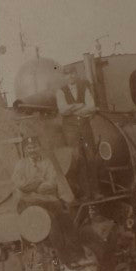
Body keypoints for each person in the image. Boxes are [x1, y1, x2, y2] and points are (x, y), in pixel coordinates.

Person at [12, 136, 84, 266]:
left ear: (39, 148)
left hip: (50, 201)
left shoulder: (47, 163)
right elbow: (20, 185)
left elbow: (52, 184)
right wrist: (39, 182)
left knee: (67, 222)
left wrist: (33, 185)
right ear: (25, 150)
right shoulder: (21, 165)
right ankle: (65, 261)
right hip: (31, 203)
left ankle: (79, 256)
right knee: (52, 225)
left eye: (35, 147)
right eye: (29, 147)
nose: (32, 150)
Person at [56, 69, 99, 200]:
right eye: (68, 74)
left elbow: (91, 106)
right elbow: (62, 110)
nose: (71, 76)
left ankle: (96, 192)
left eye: (73, 73)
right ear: (64, 76)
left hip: (85, 127)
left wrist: (72, 109)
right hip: (70, 129)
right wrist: (80, 106)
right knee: (77, 159)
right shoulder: (60, 91)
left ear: (76, 74)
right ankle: (85, 194)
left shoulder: (83, 87)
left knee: (91, 158)